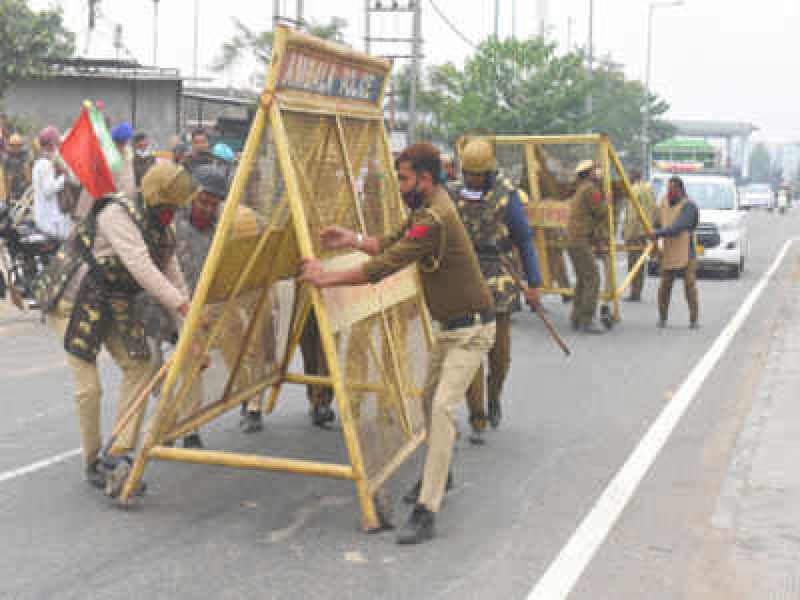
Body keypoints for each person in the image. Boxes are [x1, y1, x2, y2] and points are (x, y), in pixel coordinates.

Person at [301, 142, 498, 545]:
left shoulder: (436, 219)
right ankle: (443, 471)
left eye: (405, 178)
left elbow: (384, 265)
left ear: (425, 178)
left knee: (441, 407)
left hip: (472, 331)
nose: (400, 185)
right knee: (428, 402)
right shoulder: (427, 210)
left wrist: (326, 278)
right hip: (449, 328)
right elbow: (389, 242)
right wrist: (350, 238)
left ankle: (427, 510)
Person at [37, 162, 193, 492]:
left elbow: (174, 277)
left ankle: (117, 454)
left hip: (110, 301)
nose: (170, 216)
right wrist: (180, 305)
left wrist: (190, 330)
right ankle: (93, 462)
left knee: (142, 364)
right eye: (167, 209)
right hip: (71, 299)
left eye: (175, 210)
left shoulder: (163, 229)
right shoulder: (116, 213)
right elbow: (141, 266)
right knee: (89, 388)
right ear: (152, 199)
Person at [448, 139, 542, 442]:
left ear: (489, 172)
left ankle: (494, 396)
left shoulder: (507, 196)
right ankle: (477, 416)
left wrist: (534, 284)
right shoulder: (450, 195)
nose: (473, 180)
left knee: (500, 355)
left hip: (501, 276)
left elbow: (525, 240)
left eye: (478, 175)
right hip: (465, 277)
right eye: (468, 174)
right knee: (469, 351)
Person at [647, 175, 700, 329]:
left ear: (680, 189)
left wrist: (657, 233)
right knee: (664, 287)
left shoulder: (689, 206)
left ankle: (693, 319)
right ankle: (662, 317)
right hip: (669, 252)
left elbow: (678, 227)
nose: (669, 192)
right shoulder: (663, 203)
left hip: (686, 253)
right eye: (668, 189)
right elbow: (657, 221)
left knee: (689, 286)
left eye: (672, 189)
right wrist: (652, 230)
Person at [566, 160, 609, 334]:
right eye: (595, 170)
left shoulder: (579, 188)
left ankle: (576, 317)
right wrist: (608, 200)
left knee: (583, 279)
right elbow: (600, 211)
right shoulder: (590, 189)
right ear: (589, 173)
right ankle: (586, 320)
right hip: (580, 240)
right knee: (593, 279)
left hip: (573, 239)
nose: (597, 172)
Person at [31, 126, 71, 240]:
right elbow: (48, 190)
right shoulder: (45, 164)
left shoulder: (40, 163)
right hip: (50, 219)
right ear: (51, 145)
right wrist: (64, 177)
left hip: (46, 216)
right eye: (57, 144)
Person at [622, 169, 656, 302]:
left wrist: (627, 232)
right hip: (644, 231)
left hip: (635, 232)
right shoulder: (648, 189)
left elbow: (632, 215)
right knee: (640, 264)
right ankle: (637, 291)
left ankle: (634, 293)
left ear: (633, 177)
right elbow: (654, 210)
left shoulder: (634, 190)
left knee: (633, 264)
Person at [3, 134, 32, 203]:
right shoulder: (7, 158)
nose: (16, 148)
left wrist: (30, 186)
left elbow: (28, 173)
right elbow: (7, 178)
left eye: (18, 145)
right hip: (14, 191)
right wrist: (8, 196)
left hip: (25, 190)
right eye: (13, 145)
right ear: (10, 145)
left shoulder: (25, 154)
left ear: (21, 145)